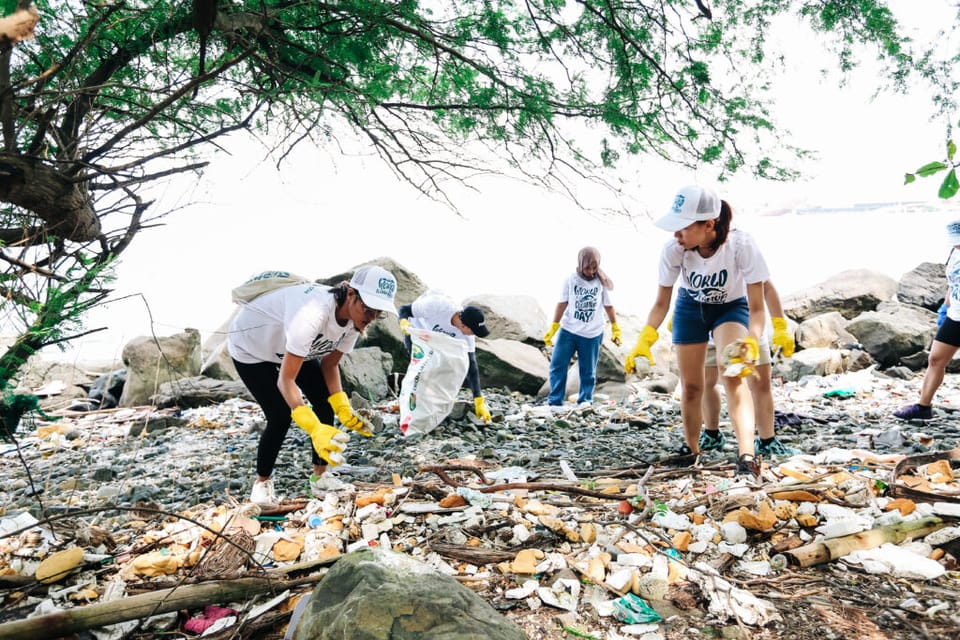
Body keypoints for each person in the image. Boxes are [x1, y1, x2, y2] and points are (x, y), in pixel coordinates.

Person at [624, 185, 769, 480]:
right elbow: (661, 302)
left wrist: (752, 341)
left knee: (734, 376)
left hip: (731, 307)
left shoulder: (742, 246)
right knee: (691, 386)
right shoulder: (674, 249)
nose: (676, 234)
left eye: (682, 227)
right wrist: (644, 338)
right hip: (691, 307)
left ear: (708, 225)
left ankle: (746, 457)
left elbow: (757, 307)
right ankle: (692, 452)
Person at [227, 265, 399, 509]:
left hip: (297, 349)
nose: (371, 317)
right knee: (279, 415)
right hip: (252, 350)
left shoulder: (355, 322)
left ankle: (320, 477)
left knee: (324, 403)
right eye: (367, 309)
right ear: (351, 293)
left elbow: (330, 366)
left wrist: (342, 407)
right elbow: (285, 380)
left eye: (377, 313)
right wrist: (313, 428)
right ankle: (262, 484)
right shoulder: (311, 313)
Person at [700, 280, 800, 458]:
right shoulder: (696, 254)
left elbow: (767, 287)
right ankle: (711, 434)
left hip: (750, 326)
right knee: (707, 382)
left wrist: (780, 325)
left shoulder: (745, 253)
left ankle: (767, 440)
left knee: (760, 383)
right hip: (707, 325)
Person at [894, 218, 960, 421]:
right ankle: (923, 407)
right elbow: (953, 280)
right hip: (955, 315)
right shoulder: (954, 253)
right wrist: (947, 303)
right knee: (935, 359)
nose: (957, 244)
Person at [543, 246, 621, 406]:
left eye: (594, 267)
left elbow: (608, 306)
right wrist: (554, 327)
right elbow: (562, 303)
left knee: (588, 371)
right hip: (569, 330)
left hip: (592, 333)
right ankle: (555, 401)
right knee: (557, 366)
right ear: (580, 264)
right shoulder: (571, 280)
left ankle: (585, 400)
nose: (591, 272)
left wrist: (615, 328)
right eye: (587, 267)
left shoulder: (601, 282)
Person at [397, 292, 493, 423]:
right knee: (420, 371)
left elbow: (472, 364)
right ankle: (410, 409)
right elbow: (404, 309)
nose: (473, 335)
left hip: (437, 338)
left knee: (443, 368)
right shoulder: (438, 306)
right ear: (463, 325)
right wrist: (403, 321)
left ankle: (432, 406)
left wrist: (478, 400)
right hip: (417, 330)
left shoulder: (467, 336)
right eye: (473, 331)